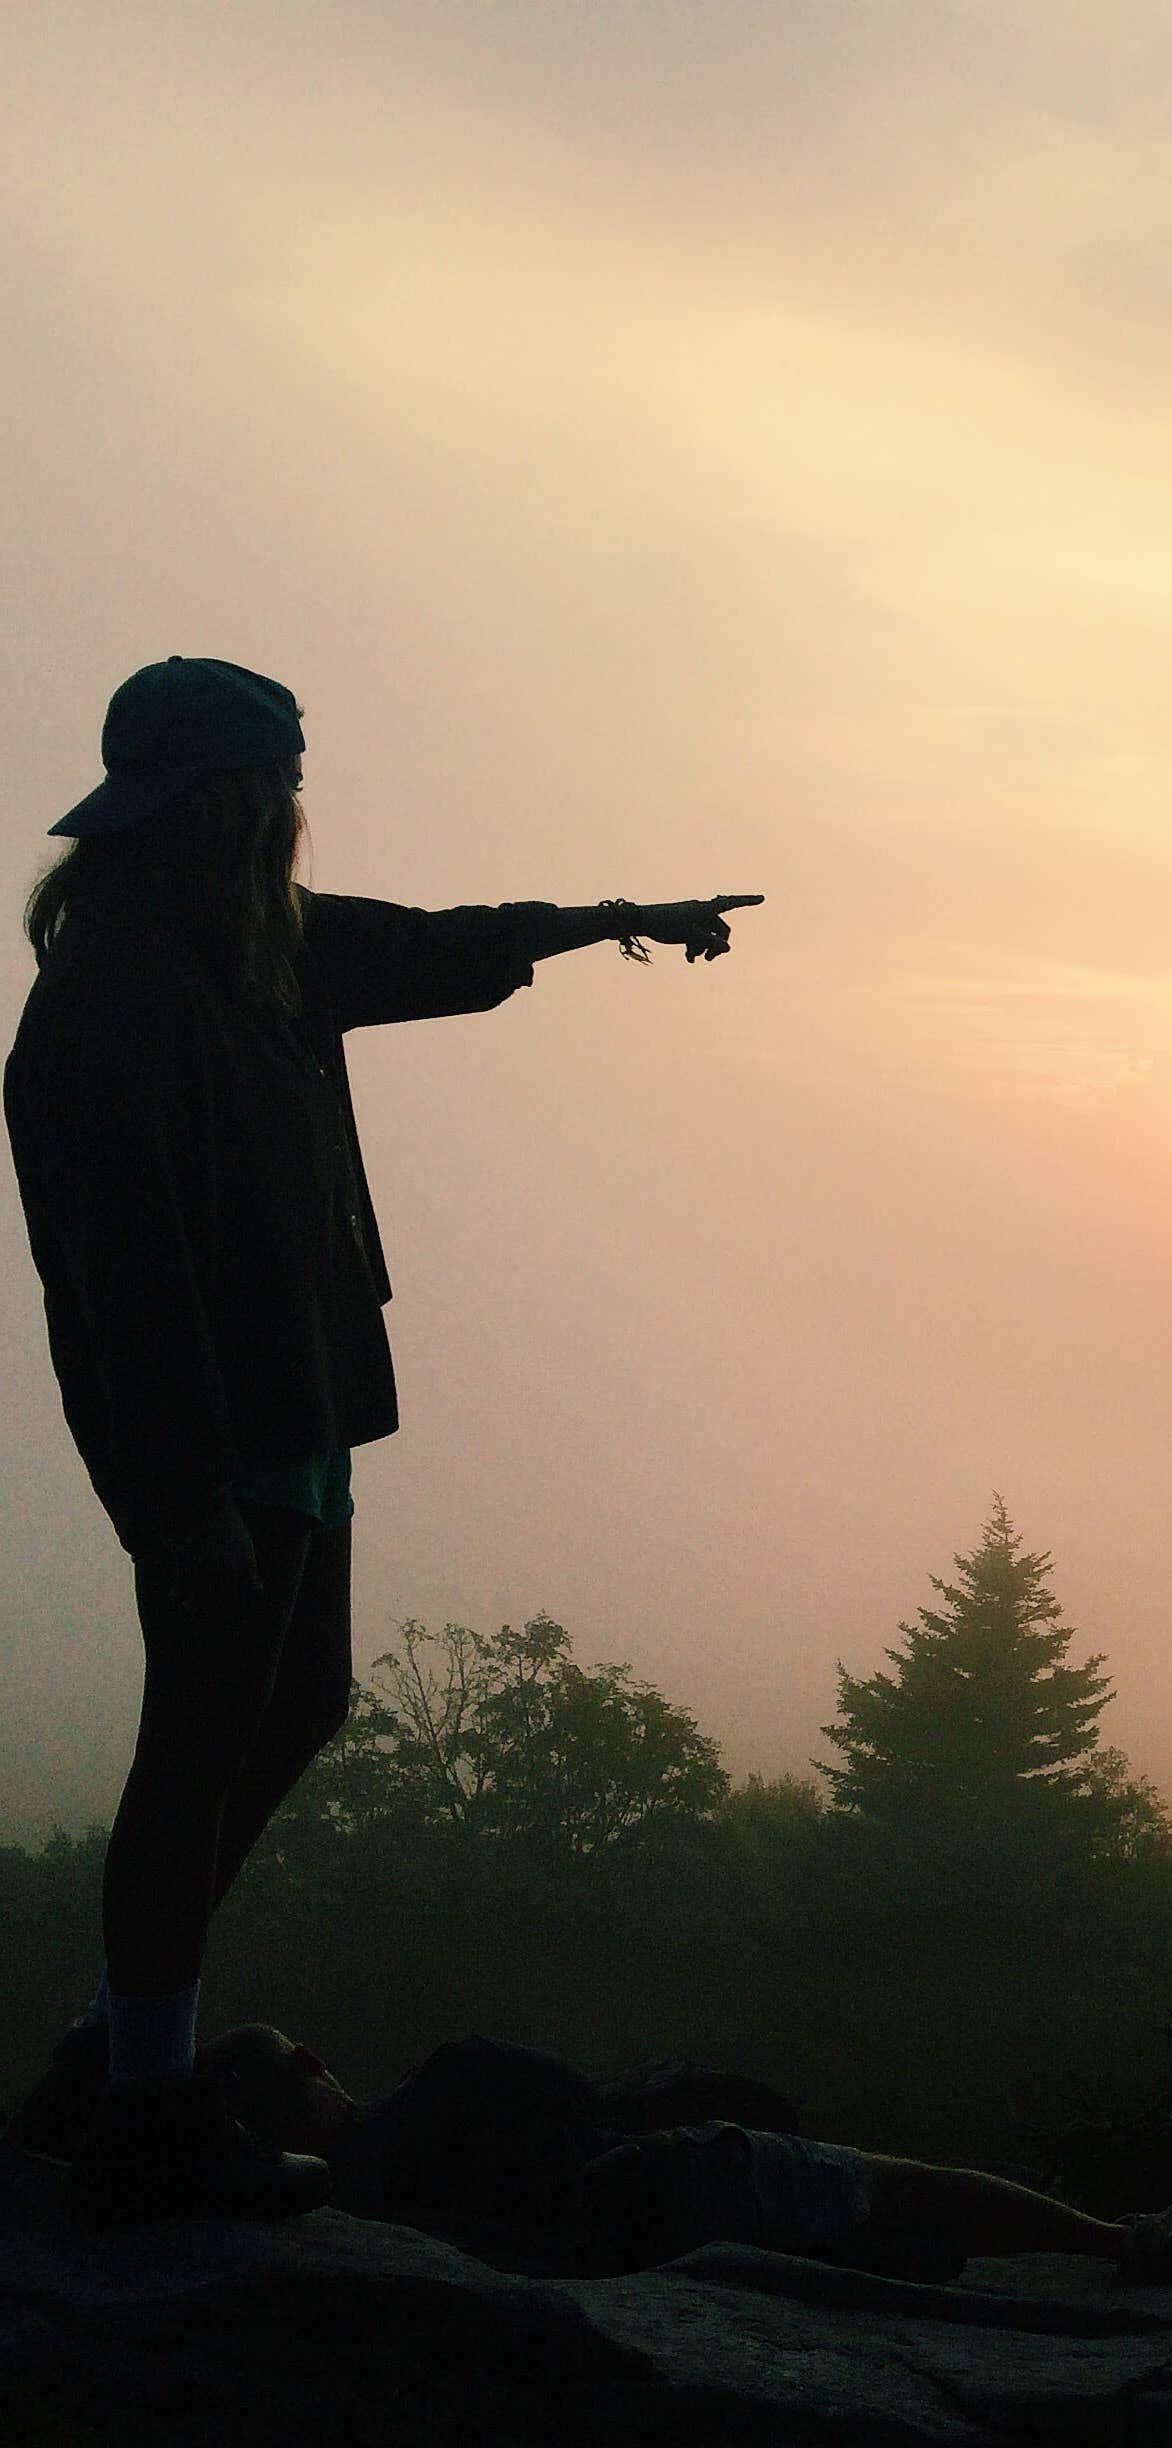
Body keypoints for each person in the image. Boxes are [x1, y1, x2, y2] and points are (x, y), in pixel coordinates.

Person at [2, 656, 764, 2230]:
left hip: (298, 1400)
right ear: (229, 801)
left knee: (296, 1706)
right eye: (278, 790)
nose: (294, 817)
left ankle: (109, 2053)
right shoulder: (118, 991)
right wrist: (176, 1495)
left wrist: (609, 917)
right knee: (197, 1746)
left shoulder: (251, 950)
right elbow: (120, 1271)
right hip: (210, 1435)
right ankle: (140, 2105)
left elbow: (434, 948)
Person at [195, 2026, 1172, 2284]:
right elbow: (587, 2100)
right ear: (312, 2063)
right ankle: (1118, 2242)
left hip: (624, 2248)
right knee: (891, 2184)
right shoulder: (453, 2074)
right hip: (667, 2179)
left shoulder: (349, 2209)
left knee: (869, 2220)